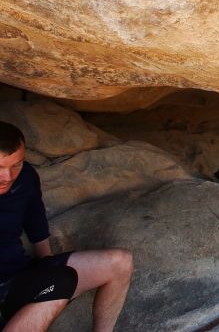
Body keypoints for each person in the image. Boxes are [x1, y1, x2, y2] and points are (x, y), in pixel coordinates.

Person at [0, 121, 133, 332]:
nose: (8, 177)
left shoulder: (25, 178)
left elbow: (36, 222)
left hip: (19, 278)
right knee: (61, 280)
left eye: (16, 165)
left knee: (120, 262)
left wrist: (47, 264)